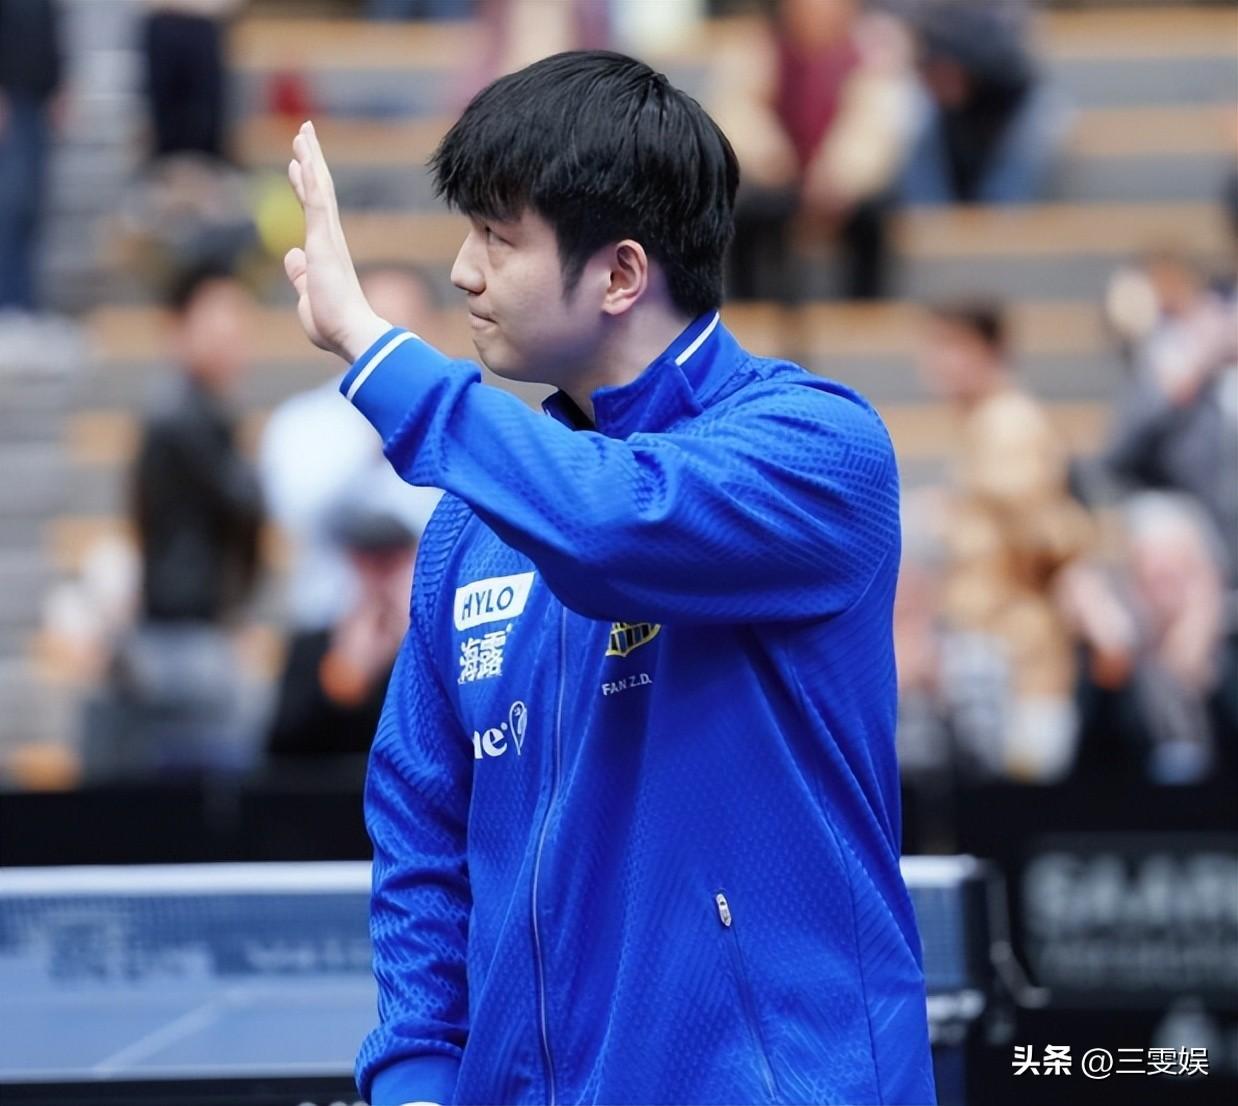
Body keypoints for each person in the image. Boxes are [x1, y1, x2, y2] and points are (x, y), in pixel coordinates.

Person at [285, 51, 936, 1106]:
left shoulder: (819, 451)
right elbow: (420, 831)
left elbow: (612, 525)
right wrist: (416, 1076)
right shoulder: (470, 525)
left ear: (621, 274)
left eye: (498, 237)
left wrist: (370, 348)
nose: (463, 272)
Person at [0, 0, 63, 311]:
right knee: (8, 209)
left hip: (38, 104)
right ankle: (8, 304)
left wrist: (60, 86)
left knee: (30, 212)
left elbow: (51, 33)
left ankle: (23, 304)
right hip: (11, 105)